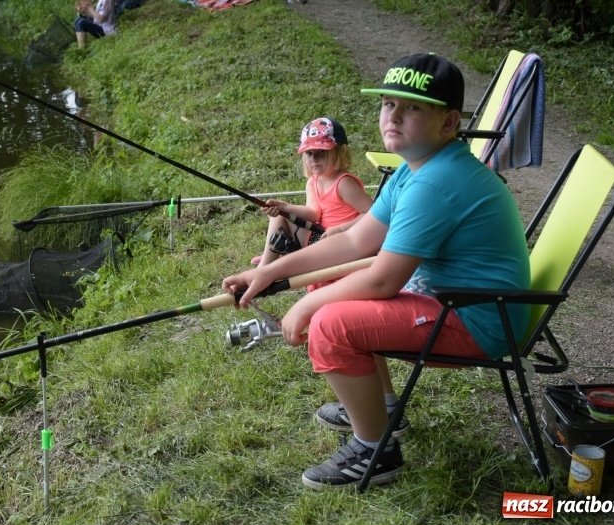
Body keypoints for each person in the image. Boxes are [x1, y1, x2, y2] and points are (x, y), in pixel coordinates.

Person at [221, 53, 531, 489]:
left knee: (330, 323)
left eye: (412, 107)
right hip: (455, 303)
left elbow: (384, 279)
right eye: (388, 104)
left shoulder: (434, 183)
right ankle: (381, 408)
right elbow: (352, 241)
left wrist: (308, 302)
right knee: (335, 287)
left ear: (448, 123)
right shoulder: (414, 171)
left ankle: (375, 450)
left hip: (478, 319)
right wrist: (268, 273)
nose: (394, 116)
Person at [252, 117, 373, 274]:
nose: (314, 159)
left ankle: (268, 267)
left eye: (321, 153)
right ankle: (267, 264)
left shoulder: (344, 183)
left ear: (340, 151)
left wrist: (340, 229)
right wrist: (284, 208)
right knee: (278, 216)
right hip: (321, 238)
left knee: (283, 221)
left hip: (345, 243)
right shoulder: (313, 181)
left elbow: (372, 213)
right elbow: (313, 213)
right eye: (309, 153)